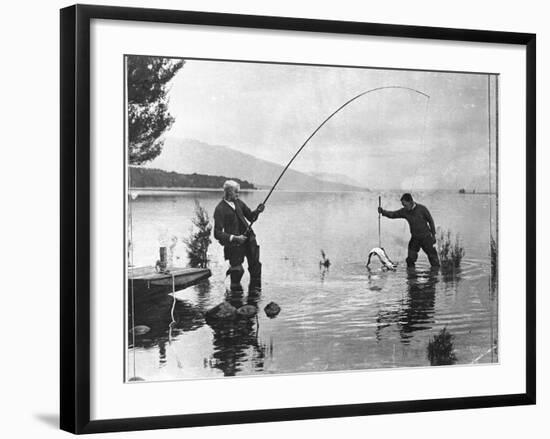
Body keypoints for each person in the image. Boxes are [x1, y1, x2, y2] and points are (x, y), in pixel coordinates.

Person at [213, 180, 265, 289]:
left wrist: (258, 211)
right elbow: (217, 233)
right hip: (234, 245)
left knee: (256, 268)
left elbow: (251, 217)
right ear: (228, 192)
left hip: (249, 239)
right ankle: (235, 300)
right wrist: (235, 238)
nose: (238, 194)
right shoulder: (219, 209)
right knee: (237, 271)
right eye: (236, 192)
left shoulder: (239, 202)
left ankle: (255, 298)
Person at [378, 193, 440, 268]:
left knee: (434, 261)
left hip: (426, 238)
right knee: (410, 260)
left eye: (405, 205)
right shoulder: (405, 211)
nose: (404, 207)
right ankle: (412, 278)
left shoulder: (422, 209)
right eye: (403, 205)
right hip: (415, 239)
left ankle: (434, 277)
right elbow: (393, 214)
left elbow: (431, 221)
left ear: (411, 202)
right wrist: (383, 212)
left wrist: (433, 235)